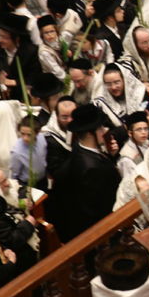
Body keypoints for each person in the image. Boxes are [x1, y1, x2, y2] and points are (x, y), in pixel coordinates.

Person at [46, 103, 121, 241]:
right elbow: (103, 206)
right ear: (89, 133)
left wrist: (112, 155)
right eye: (100, 128)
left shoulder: (78, 149)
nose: (104, 130)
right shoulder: (93, 169)